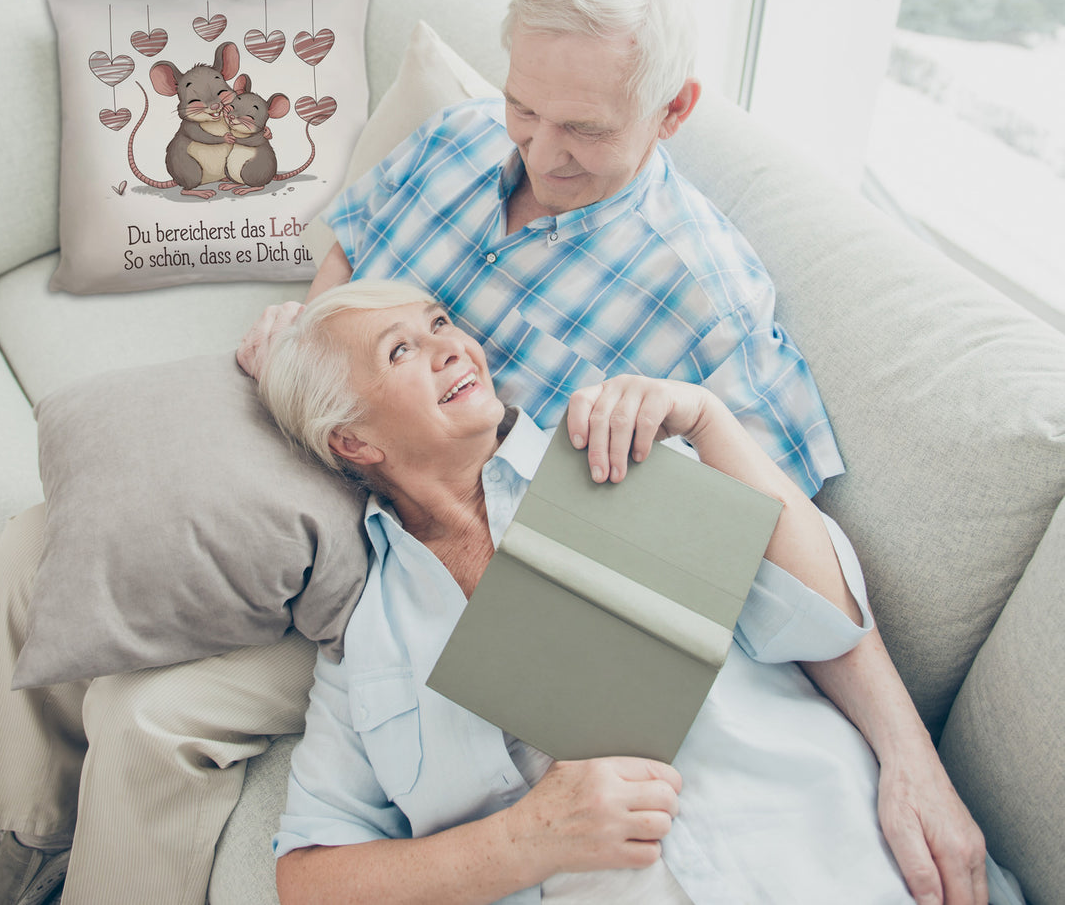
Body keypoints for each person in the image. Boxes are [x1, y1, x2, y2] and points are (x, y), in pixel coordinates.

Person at [0, 0, 982, 905]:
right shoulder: (460, 138)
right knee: (43, 538)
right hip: (339, 438)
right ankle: (10, 841)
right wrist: (309, 333)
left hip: (428, 544)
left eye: (583, 129)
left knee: (151, 715)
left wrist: (908, 754)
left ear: (671, 111)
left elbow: (778, 546)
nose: (538, 148)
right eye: (525, 106)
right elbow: (351, 247)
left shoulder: (704, 298)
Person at [258, 279, 1011, 905]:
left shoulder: (613, 452)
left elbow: (823, 620)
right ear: (353, 441)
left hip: (836, 858)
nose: (452, 346)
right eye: (401, 350)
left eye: (440, 323)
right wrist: (525, 840)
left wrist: (710, 422)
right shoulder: (367, 643)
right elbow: (309, 878)